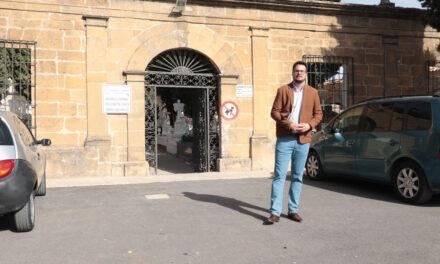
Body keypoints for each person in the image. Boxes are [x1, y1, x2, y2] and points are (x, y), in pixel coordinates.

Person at [265, 61, 323, 224]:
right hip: (285, 138)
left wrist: (309, 125)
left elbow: (318, 114)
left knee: (297, 176)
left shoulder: (313, 92)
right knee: (279, 176)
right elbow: (274, 112)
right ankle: (275, 212)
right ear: (293, 73)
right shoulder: (283, 90)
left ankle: (293, 210)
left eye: (302, 71)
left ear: (306, 74)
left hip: (303, 140)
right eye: (297, 71)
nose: (299, 73)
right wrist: (288, 123)